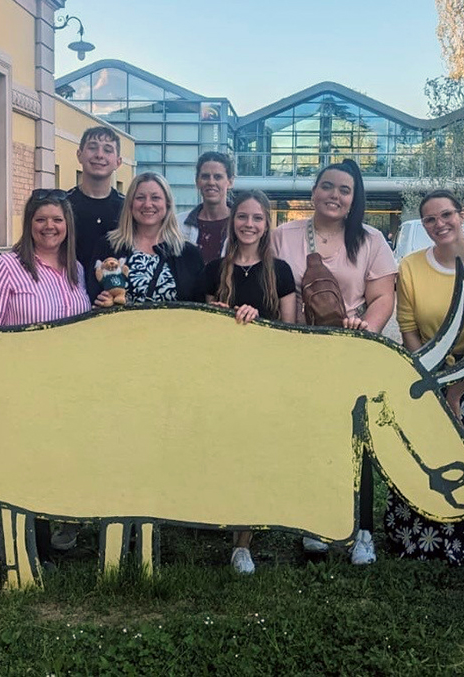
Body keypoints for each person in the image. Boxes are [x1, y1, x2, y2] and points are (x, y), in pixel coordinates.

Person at [272, 158, 397, 565]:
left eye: (345, 190)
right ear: (314, 192)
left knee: (356, 437)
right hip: (298, 349)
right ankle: (315, 525)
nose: (335, 195)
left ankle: (362, 529)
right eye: (328, 186)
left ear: (354, 198)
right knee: (308, 435)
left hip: (349, 348)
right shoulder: (282, 236)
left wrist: (365, 331)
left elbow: (382, 297)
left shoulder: (370, 240)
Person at [385, 190, 464, 563]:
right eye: (431, 219)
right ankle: (413, 538)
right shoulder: (410, 266)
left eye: (446, 215)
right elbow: (407, 324)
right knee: (420, 450)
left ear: (462, 215)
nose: (440, 224)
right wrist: (428, 376)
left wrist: (457, 386)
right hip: (426, 372)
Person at [0, 188, 90, 567]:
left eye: (57, 219)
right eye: (41, 219)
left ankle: (39, 549)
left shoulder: (76, 271)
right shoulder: (6, 266)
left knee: (46, 465)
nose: (49, 226)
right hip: (18, 385)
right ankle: (7, 550)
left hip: (64, 388)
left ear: (68, 225)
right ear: (29, 224)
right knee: (15, 468)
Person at [197, 190, 296, 574]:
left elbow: (290, 330)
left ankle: (243, 543)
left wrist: (260, 321)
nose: (249, 224)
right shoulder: (213, 270)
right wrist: (216, 315)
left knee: (254, 455)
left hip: (264, 378)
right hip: (222, 376)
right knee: (222, 452)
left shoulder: (281, 272)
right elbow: (204, 330)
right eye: (243, 217)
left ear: (266, 224)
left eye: (257, 218)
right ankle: (216, 514)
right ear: (232, 221)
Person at [87, 172, 204, 305]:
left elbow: (199, 305)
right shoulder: (108, 246)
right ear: (130, 204)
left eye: (155, 198)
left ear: (168, 203)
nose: (148, 204)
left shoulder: (188, 253)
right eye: (140, 198)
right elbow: (92, 295)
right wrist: (100, 300)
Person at [66, 126, 124, 274]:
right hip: (68, 290)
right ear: (79, 155)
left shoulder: (127, 208)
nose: (99, 155)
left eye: (107, 150)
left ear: (118, 161)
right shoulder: (63, 205)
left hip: (115, 292)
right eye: (92, 148)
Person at [176, 151, 235, 264]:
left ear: (230, 182)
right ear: (197, 181)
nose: (211, 182)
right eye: (205, 176)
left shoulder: (241, 225)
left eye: (218, 177)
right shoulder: (178, 225)